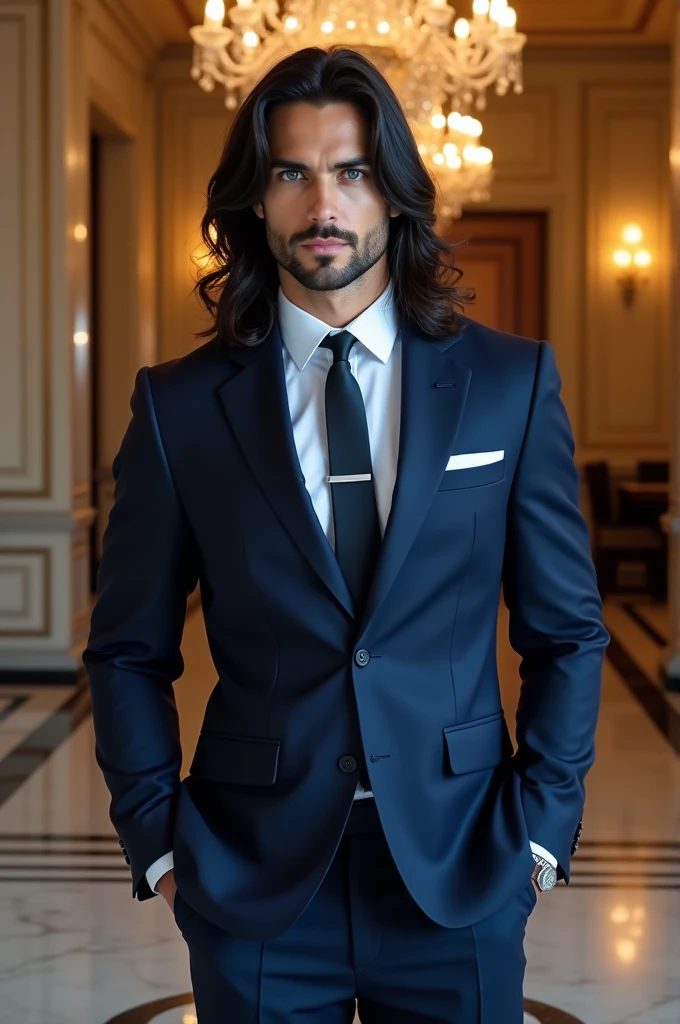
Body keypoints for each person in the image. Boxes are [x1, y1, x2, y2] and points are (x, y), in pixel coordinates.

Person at [83, 45, 609, 1024]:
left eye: (351, 171)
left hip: (459, 869)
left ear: (395, 194)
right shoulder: (180, 408)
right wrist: (158, 843)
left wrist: (537, 835)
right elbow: (126, 649)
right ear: (257, 198)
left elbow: (567, 632)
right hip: (254, 880)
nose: (322, 203)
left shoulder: (508, 383)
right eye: (291, 172)